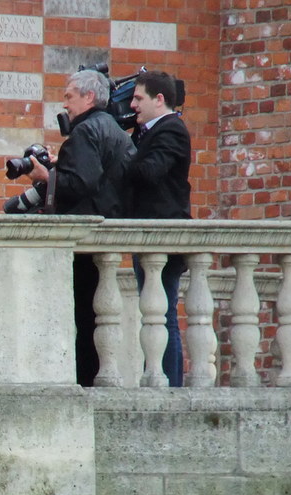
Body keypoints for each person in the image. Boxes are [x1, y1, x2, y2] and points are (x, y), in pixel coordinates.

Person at [28, 69, 136, 386]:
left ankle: (84, 382)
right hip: (104, 234)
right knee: (92, 317)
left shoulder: (86, 131)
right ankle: (90, 379)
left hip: (85, 238)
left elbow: (81, 184)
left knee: (83, 319)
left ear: (88, 97)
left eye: (69, 96)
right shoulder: (113, 128)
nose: (65, 104)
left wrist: (47, 177)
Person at [124, 70, 192, 387]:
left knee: (164, 318)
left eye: (138, 98)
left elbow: (150, 172)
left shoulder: (172, 129)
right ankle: (162, 379)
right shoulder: (149, 131)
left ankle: (171, 385)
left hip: (164, 237)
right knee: (156, 316)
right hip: (149, 236)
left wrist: (123, 153)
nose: (133, 105)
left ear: (158, 99)